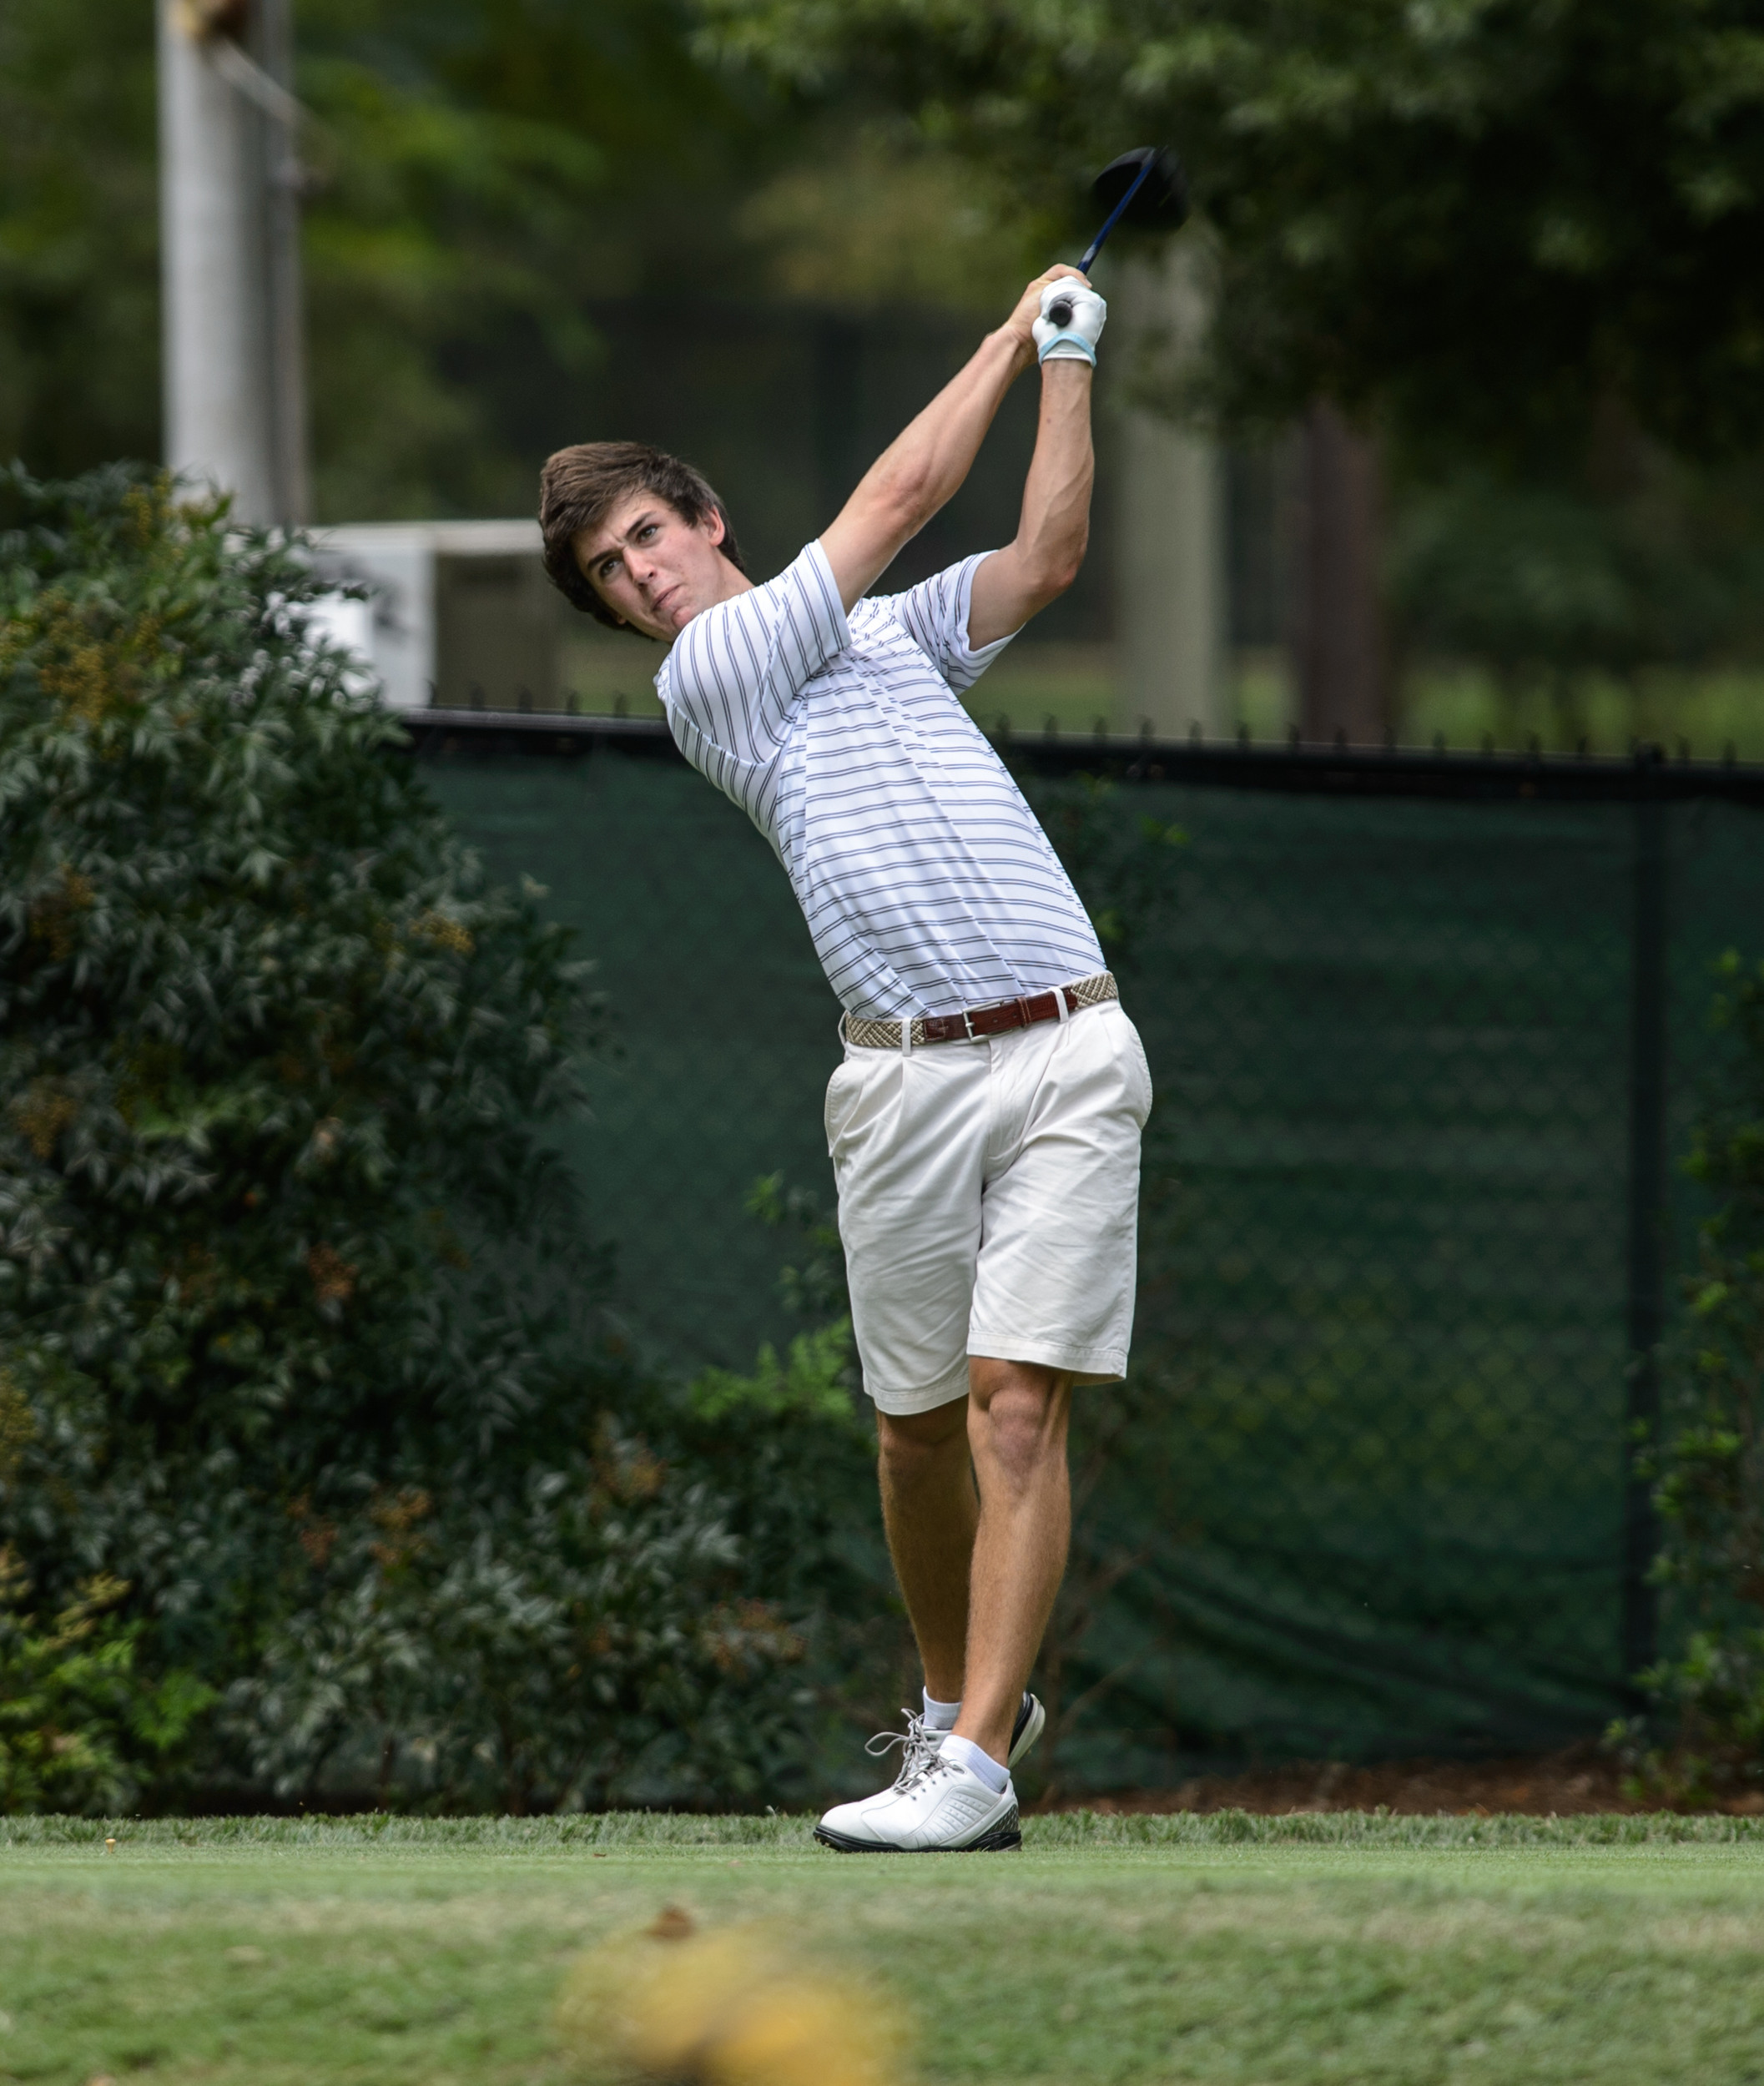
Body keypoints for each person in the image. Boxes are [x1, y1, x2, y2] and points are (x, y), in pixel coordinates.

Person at [537, 266, 1151, 1852]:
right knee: (914, 1424)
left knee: (1017, 1407)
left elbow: (1046, 556)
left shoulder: (887, 636)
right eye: (613, 574)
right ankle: (959, 1708)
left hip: (1070, 1048)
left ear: (706, 518)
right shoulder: (712, 686)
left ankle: (969, 1767)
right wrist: (1014, 329)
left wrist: (1072, 363)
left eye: (649, 536)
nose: (643, 576)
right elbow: (902, 489)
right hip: (897, 1083)